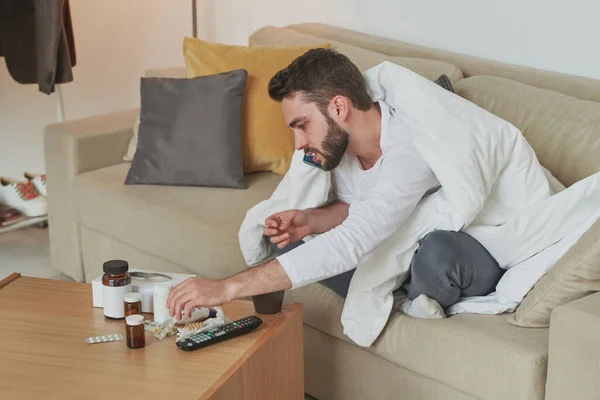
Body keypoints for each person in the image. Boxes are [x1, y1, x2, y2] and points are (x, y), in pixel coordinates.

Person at [167, 49, 504, 320]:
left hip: (464, 251)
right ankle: (397, 291)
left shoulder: (410, 148)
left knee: (438, 254)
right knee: (284, 243)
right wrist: (312, 221)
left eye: (302, 125)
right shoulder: (340, 148)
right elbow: (358, 207)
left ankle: (401, 295)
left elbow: (355, 240)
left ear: (339, 107)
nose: (298, 144)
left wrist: (227, 288)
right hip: (392, 236)